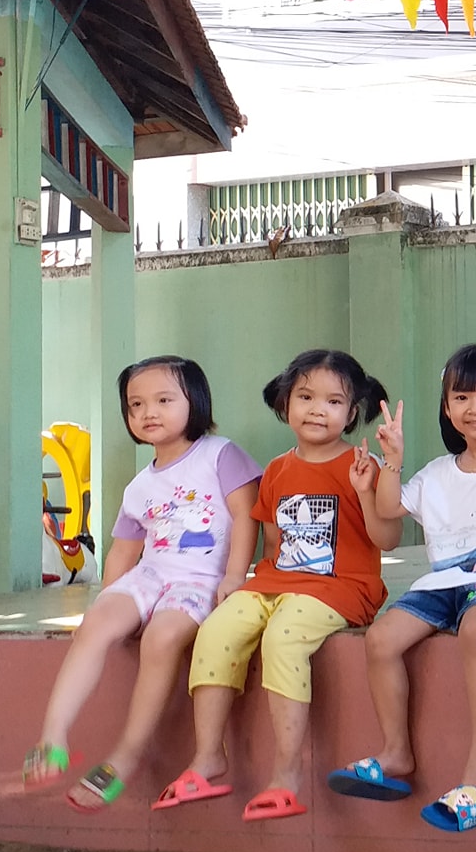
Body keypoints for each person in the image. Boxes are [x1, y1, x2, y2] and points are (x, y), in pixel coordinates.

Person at [325, 346, 476, 831]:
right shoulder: (437, 473)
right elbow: (389, 511)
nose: (475, 407)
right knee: (381, 639)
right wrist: (391, 461)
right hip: (442, 583)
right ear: (447, 407)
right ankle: (396, 752)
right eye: (461, 397)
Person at [155, 350, 401, 822]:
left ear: (352, 413)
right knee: (216, 630)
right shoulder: (276, 470)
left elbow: (387, 539)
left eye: (333, 401)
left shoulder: (361, 465)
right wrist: (245, 584)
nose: (317, 409)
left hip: (342, 587)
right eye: (305, 397)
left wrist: (368, 488)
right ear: (285, 403)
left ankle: (286, 777)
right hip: (276, 582)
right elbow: (273, 543)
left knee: (282, 638)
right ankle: (208, 758)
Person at [23, 357, 259, 812]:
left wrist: (235, 575)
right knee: (96, 624)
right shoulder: (139, 486)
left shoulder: (220, 454)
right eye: (136, 404)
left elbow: (248, 516)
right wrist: (110, 602)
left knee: (162, 637)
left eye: (164, 400)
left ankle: (125, 758)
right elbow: (123, 553)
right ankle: (52, 737)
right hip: (151, 575)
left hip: (201, 578)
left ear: (195, 401)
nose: (148, 412)